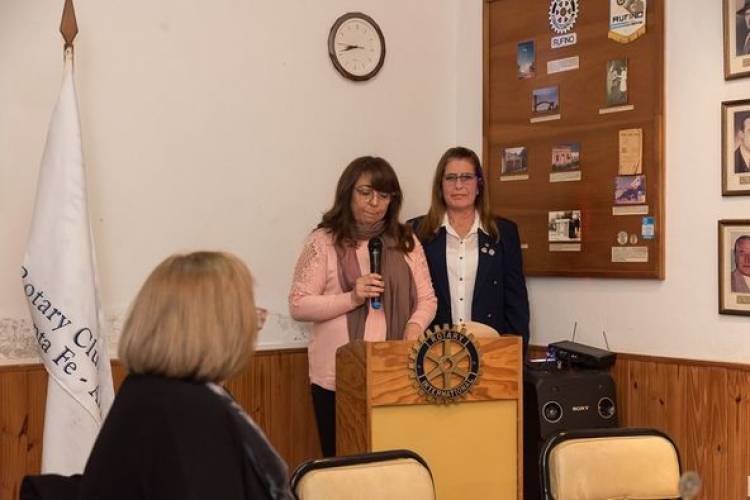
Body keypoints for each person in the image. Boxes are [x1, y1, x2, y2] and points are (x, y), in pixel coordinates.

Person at [78, 252, 293, 500]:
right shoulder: (190, 411)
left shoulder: (155, 391)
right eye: (249, 315)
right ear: (219, 327)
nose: (254, 328)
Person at [289, 156, 437, 457]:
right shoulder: (323, 241)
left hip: (395, 372)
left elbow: (427, 299)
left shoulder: (405, 240)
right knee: (343, 466)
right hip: (337, 378)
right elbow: (298, 304)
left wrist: (413, 329)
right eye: (366, 192)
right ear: (348, 192)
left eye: (384, 195)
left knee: (392, 465)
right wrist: (352, 297)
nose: (375, 203)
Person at [410, 146, 529, 352]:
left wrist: (516, 353)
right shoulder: (417, 232)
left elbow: (516, 299)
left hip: (489, 351)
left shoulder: (504, 232)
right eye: (450, 178)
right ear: (440, 185)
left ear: (478, 184)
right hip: (434, 352)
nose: (458, 185)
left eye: (466, 177)